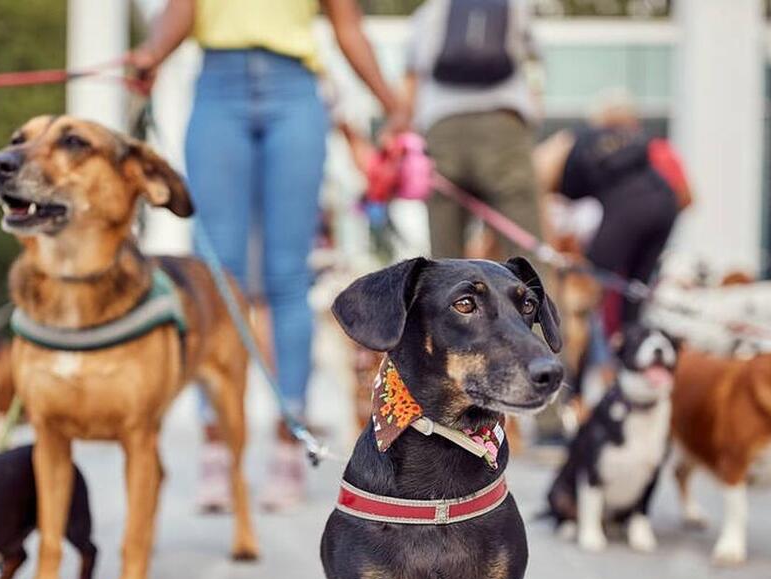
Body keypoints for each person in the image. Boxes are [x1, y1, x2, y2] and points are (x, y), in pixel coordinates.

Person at [129, 0, 408, 512]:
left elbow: (348, 27)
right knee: (216, 276)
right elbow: (181, 10)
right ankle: (218, 450)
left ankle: (288, 446)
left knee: (287, 276)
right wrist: (152, 53)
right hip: (218, 84)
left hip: (294, 89)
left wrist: (392, 102)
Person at [404, 0, 544, 268]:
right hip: (503, 127)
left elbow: (412, 78)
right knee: (526, 250)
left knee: (445, 260)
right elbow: (534, 63)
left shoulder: (430, 11)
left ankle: (445, 308)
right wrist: (534, 108)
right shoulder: (514, 6)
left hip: (442, 129)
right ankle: (537, 307)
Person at [537, 93, 690, 335]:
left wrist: (546, 250)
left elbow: (541, 209)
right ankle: (629, 352)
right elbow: (685, 196)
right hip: (664, 205)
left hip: (628, 208)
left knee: (590, 289)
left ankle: (578, 360)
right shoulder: (635, 144)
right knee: (634, 295)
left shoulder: (552, 152)